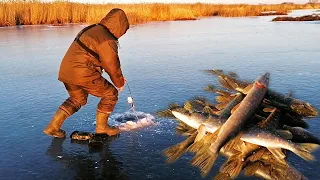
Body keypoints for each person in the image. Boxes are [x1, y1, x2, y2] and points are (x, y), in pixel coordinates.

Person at [44, 8, 130, 138]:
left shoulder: (93, 29)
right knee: (110, 94)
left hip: (66, 71)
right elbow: (111, 64)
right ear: (120, 27)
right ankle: (102, 128)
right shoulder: (106, 39)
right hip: (82, 72)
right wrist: (119, 81)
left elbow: (92, 55)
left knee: (77, 99)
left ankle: (53, 127)